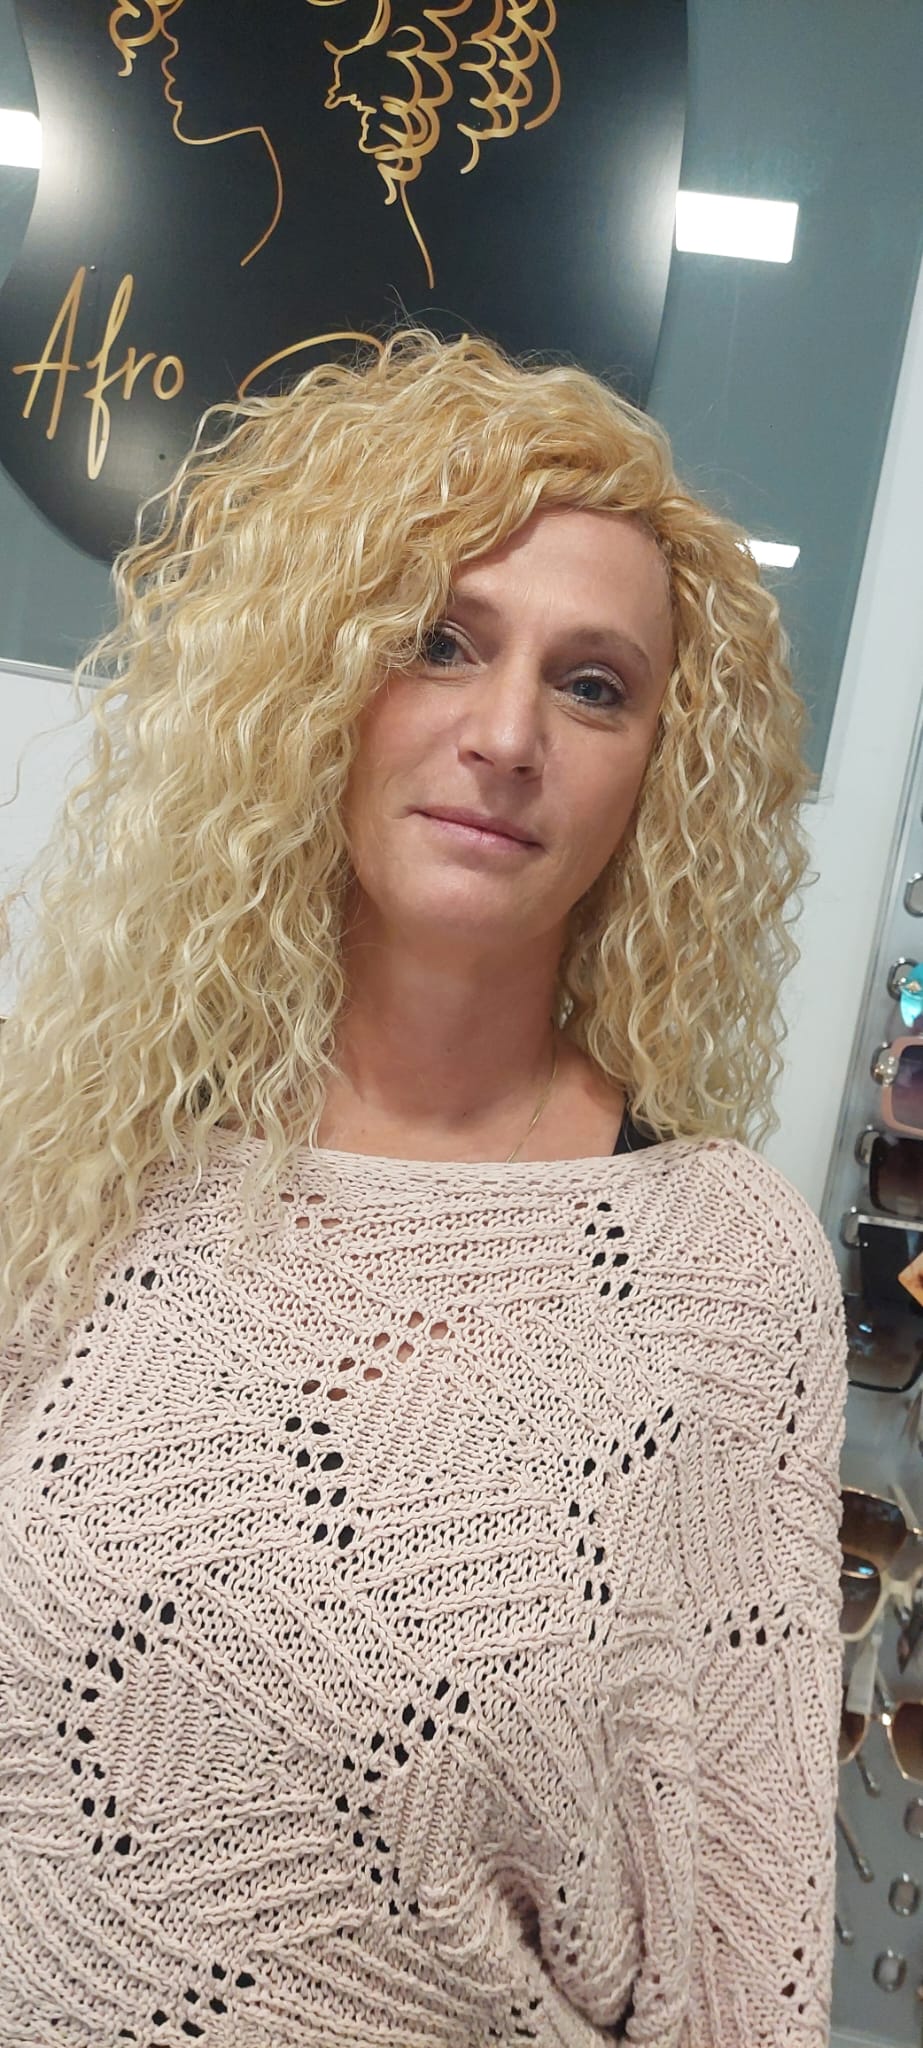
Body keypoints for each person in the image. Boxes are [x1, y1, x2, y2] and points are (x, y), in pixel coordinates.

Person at [0, 326, 848, 2047]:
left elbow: (744, 1953)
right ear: (321, 685)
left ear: (658, 770)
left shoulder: (718, 1266)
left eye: (594, 685)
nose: (508, 732)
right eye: (439, 643)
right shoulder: (87, 1153)